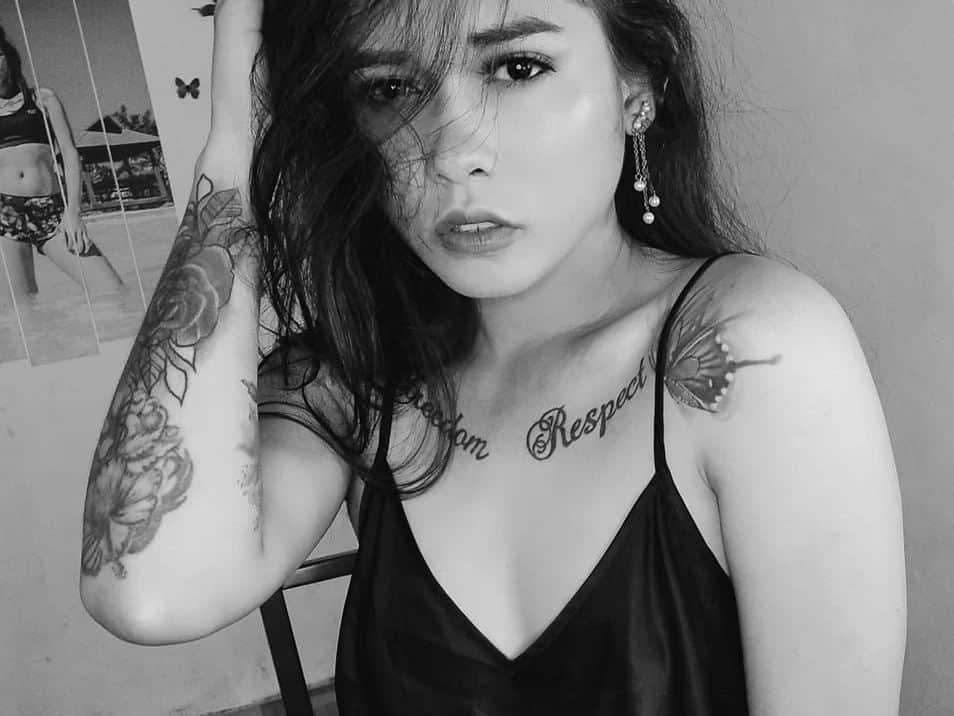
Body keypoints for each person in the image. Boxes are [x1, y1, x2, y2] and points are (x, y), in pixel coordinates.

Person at [80, 0, 907, 713]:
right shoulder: (358, 379)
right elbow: (149, 591)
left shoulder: (751, 347)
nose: (451, 152)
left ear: (638, 87)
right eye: (391, 89)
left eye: (517, 67)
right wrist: (231, 153)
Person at [0, 24, 122, 297]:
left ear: (9, 56)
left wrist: (74, 212)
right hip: (3, 213)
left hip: (51, 209)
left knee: (112, 291)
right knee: (25, 307)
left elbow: (69, 152)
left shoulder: (42, 98)